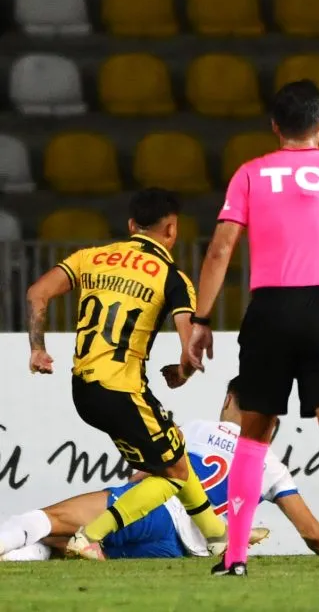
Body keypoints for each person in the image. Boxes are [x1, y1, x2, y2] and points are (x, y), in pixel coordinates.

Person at [186, 80, 319, 578]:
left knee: (252, 435)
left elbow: (220, 250)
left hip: (270, 308)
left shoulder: (252, 174)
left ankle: (234, 558)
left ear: (274, 126)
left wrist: (201, 319)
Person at [25, 188, 228, 560]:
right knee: (173, 474)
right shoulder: (172, 276)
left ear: (132, 225)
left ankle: (217, 536)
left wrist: (37, 347)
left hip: (83, 389)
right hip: (122, 390)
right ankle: (91, 535)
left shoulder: (91, 257)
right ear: (172, 231)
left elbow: (38, 291)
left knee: (173, 453)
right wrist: (183, 372)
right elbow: (190, 345)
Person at [0, 379, 319, 562]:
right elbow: (312, 533)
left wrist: (121, 498)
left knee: (47, 519)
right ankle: (24, 556)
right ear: (271, 423)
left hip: (157, 511)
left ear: (229, 398)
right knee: (62, 545)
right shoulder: (272, 467)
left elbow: (144, 476)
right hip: (180, 548)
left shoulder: (201, 429)